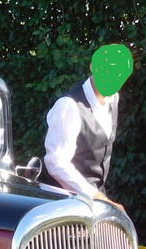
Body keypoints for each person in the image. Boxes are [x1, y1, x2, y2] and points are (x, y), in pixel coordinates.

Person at [44, 43, 133, 206]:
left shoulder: (114, 98)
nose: (113, 78)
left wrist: (100, 199)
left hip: (97, 201)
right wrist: (96, 196)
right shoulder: (68, 106)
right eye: (108, 71)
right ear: (93, 67)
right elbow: (56, 162)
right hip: (68, 203)